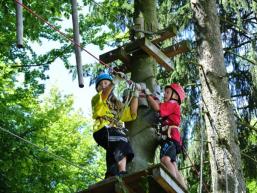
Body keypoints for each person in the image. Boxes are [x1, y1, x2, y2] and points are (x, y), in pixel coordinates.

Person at [91, 73, 139, 178]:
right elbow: (104, 94)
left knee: (115, 148)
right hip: (102, 129)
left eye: (105, 83)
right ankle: (122, 172)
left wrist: (136, 94)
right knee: (120, 139)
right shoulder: (97, 98)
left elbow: (132, 114)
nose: (103, 85)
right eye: (101, 84)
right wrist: (115, 80)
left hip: (112, 131)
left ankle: (111, 174)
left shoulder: (117, 105)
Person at [145, 83, 187, 189]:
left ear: (176, 96)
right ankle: (183, 188)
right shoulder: (172, 105)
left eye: (168, 92)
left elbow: (157, 108)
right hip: (175, 139)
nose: (165, 94)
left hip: (171, 138)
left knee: (165, 160)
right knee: (173, 164)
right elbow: (160, 105)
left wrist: (147, 95)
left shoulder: (172, 104)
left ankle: (172, 184)